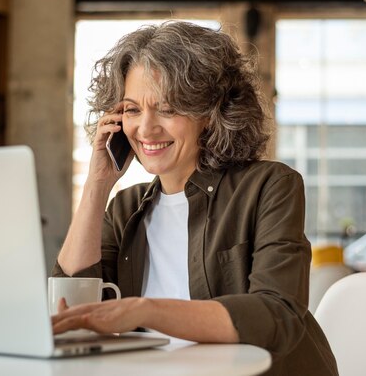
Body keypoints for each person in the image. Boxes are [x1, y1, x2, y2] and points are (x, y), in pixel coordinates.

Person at [52, 21, 338, 375]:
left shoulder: (269, 185)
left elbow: (277, 315)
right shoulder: (125, 207)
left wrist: (147, 310)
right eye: (131, 109)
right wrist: (98, 185)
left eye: (168, 108)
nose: (146, 128)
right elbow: (70, 307)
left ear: (210, 113)